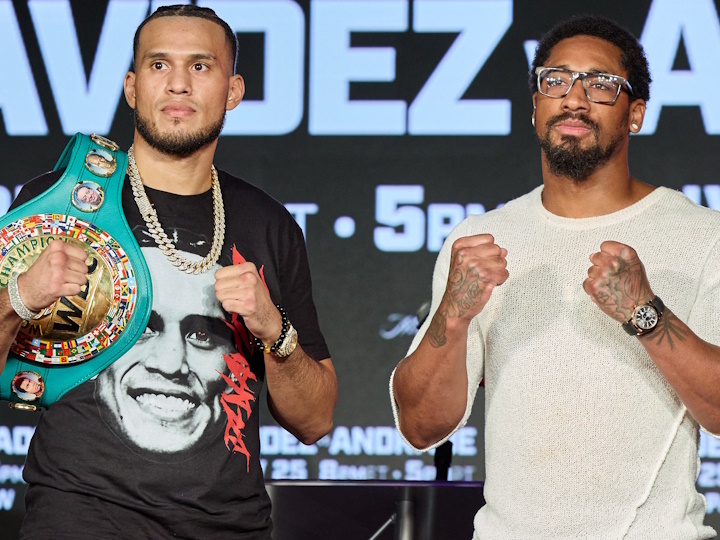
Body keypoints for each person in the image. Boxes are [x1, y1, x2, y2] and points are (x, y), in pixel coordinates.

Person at [0, 5, 337, 539]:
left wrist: (275, 330)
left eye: (200, 66)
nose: (179, 83)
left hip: (229, 527)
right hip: (79, 519)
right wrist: (18, 297)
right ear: (132, 87)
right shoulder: (61, 202)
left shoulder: (269, 225)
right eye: (159, 65)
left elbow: (314, 422)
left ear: (233, 90)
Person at [390, 15, 720, 539]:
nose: (574, 99)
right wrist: (452, 317)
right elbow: (419, 427)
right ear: (535, 107)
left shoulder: (703, 236)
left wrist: (647, 316)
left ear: (635, 114)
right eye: (556, 80)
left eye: (601, 84)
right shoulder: (478, 239)